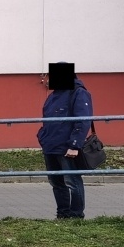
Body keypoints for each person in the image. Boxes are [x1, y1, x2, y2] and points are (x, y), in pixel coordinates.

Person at [39, 61, 92, 219]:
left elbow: (83, 120)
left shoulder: (78, 93)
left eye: (47, 75)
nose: (45, 79)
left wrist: (74, 145)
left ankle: (76, 216)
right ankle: (63, 214)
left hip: (67, 147)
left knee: (72, 181)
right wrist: (42, 137)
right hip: (50, 146)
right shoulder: (54, 96)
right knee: (56, 182)